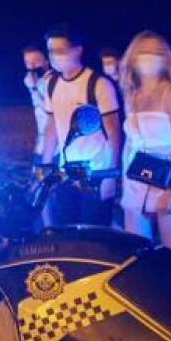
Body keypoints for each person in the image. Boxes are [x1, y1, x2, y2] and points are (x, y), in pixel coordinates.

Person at [117, 31, 171, 255]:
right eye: (144, 52)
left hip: (169, 178)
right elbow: (129, 144)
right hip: (136, 181)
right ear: (132, 57)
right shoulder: (131, 95)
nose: (150, 57)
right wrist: (125, 187)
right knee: (136, 255)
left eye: (156, 52)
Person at [38, 23, 122, 226]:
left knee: (95, 234)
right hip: (65, 172)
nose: (55, 56)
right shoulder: (51, 83)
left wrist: (110, 175)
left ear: (77, 50)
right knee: (67, 231)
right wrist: (45, 163)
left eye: (60, 51)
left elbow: (113, 131)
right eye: (51, 51)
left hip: (95, 174)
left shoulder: (98, 84)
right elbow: (51, 127)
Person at [22, 45, 52, 161]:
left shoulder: (53, 81)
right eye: (27, 62)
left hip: (55, 146)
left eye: (35, 61)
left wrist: (34, 89)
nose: (31, 66)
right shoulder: (34, 80)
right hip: (41, 142)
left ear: (46, 61)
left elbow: (50, 112)